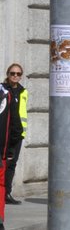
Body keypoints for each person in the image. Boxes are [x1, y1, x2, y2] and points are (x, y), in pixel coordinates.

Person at [1, 63, 26, 209]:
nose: (15, 76)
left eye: (18, 74)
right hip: (5, 134)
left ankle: (7, 193)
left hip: (18, 134)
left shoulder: (23, 92)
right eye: (12, 73)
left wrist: (20, 132)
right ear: (7, 74)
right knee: (4, 164)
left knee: (12, 164)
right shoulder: (3, 90)